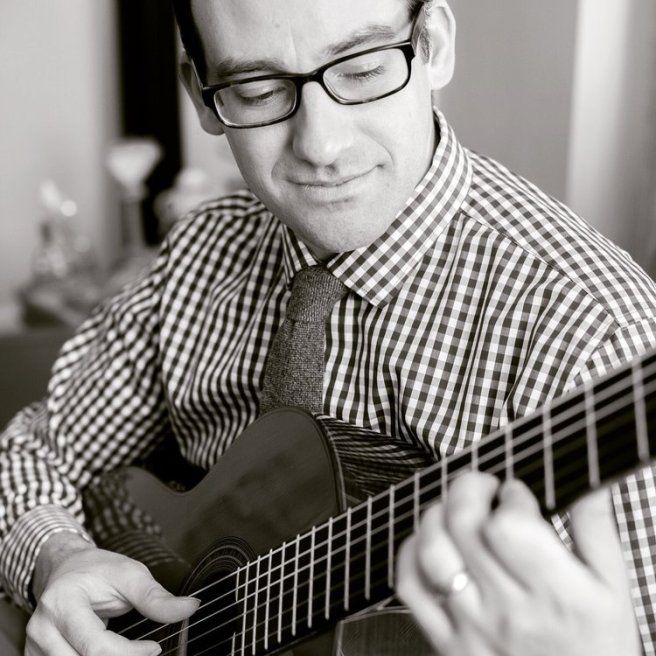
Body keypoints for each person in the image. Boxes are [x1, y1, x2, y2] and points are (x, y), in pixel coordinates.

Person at [0, 0, 654, 654]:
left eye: (363, 70)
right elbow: (36, 451)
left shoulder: (597, 336)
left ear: (434, 45)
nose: (321, 146)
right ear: (202, 98)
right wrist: (57, 557)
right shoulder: (201, 253)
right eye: (257, 91)